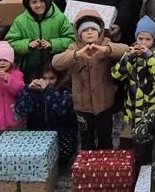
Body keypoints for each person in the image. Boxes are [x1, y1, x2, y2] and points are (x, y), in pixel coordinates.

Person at [52, 10, 127, 151]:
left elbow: (125, 50)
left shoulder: (106, 43)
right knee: (86, 140)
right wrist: (77, 55)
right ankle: (87, 167)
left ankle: (105, 166)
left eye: (93, 29)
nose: (90, 32)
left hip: (104, 103)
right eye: (85, 29)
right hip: (82, 106)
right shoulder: (73, 48)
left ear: (99, 31)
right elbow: (56, 62)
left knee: (105, 138)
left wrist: (106, 50)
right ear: (78, 33)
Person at [113, 15, 155, 166]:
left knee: (153, 141)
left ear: (153, 40)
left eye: (147, 39)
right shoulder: (129, 53)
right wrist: (129, 58)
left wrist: (149, 57)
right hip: (134, 108)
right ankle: (138, 167)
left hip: (152, 108)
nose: (143, 43)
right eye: (140, 38)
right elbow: (116, 75)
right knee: (137, 141)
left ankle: (151, 167)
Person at [14, 62, 77, 171]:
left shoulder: (65, 91)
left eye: (52, 78)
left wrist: (48, 91)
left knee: (63, 158)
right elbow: (21, 111)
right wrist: (27, 90)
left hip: (61, 136)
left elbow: (62, 109)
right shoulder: (34, 92)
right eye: (44, 78)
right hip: (39, 137)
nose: (47, 82)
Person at [5, 0, 75, 78]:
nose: (39, 5)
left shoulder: (60, 18)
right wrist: (27, 44)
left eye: (42, 1)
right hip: (29, 69)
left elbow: (72, 39)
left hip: (55, 70)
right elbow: (10, 42)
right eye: (34, 2)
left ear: (48, 1)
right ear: (28, 4)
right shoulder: (20, 21)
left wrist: (52, 44)